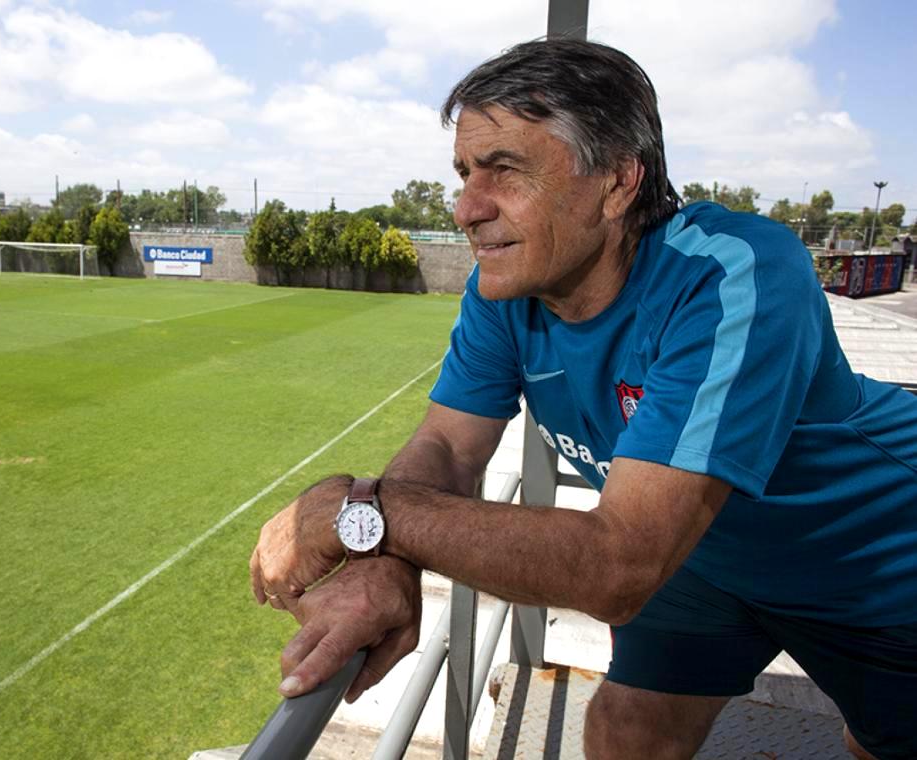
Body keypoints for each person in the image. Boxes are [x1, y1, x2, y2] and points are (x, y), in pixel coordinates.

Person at [249, 38, 917, 760]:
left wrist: (358, 509)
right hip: (701, 561)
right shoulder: (509, 288)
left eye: (506, 170)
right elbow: (446, 446)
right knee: (627, 730)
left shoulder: (731, 272)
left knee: (881, 743)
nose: (467, 207)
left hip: (868, 557)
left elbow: (619, 564)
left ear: (618, 182)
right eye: (465, 173)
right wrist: (381, 559)